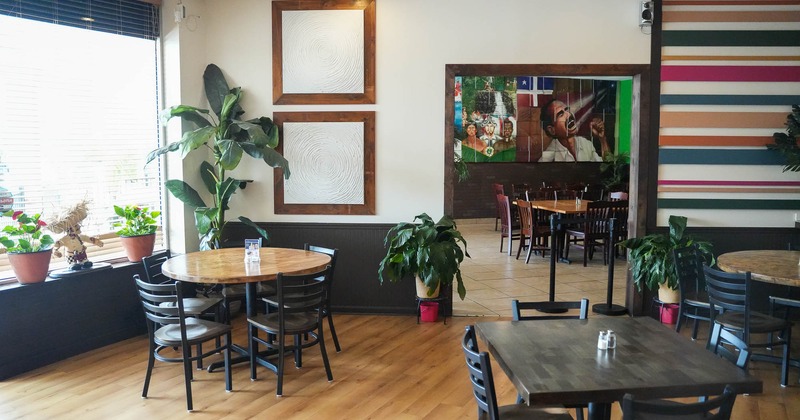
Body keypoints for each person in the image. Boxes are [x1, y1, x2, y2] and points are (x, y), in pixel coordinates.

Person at [538, 99, 610, 162]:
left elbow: (606, 167)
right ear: (552, 130)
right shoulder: (549, 157)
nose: (568, 114)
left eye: (567, 110)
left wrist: (602, 139)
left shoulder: (585, 144)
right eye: (561, 114)